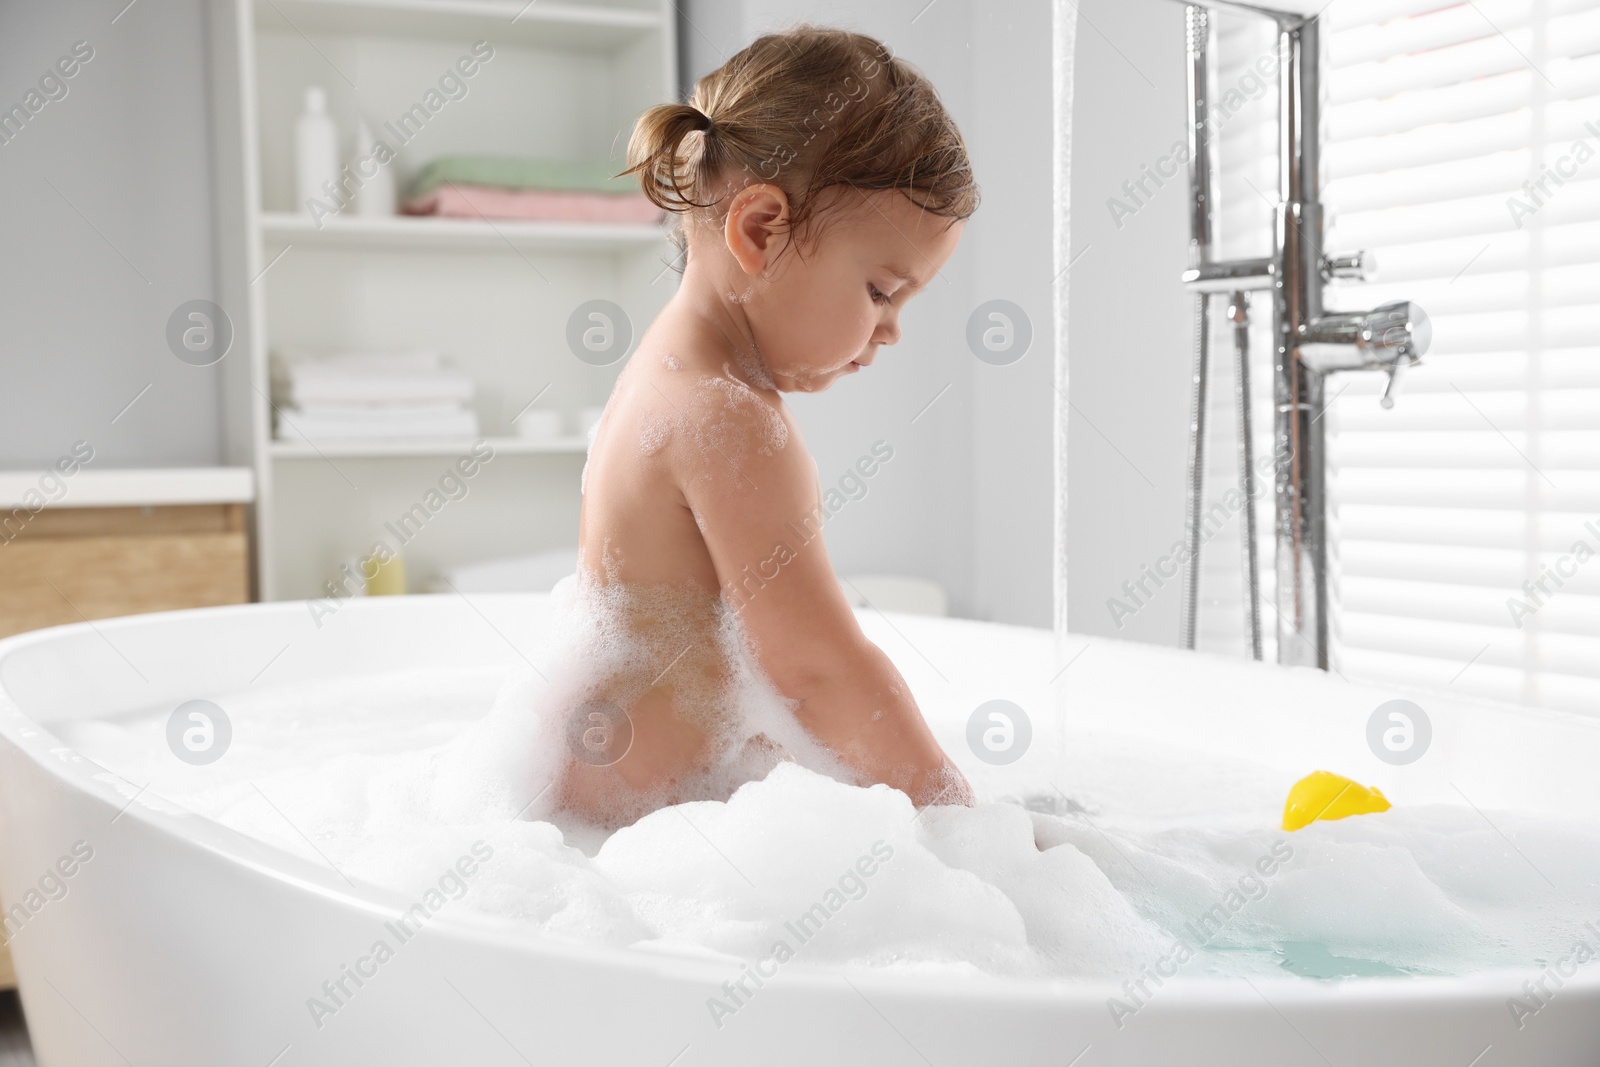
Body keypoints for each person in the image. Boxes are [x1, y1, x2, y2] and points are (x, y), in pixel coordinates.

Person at [551, 24, 981, 829]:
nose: (891, 331)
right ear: (759, 230)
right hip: (641, 839)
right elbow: (816, 668)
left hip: (614, 815)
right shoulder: (728, 419)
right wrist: (961, 820)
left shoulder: (666, 373)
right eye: (883, 291)